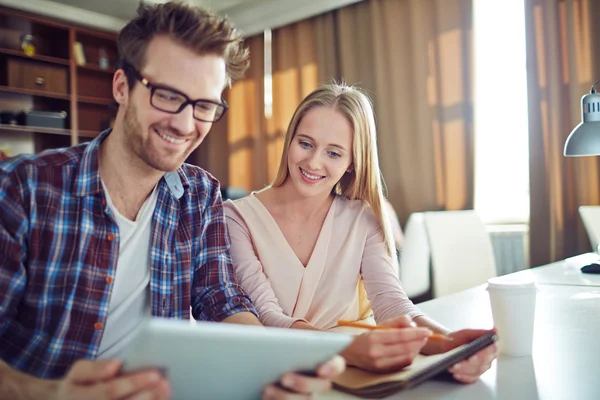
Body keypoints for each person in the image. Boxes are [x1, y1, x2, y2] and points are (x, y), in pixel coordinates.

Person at [0, 3, 343, 399]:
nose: (184, 124)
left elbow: (220, 298)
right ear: (121, 87)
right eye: (167, 95)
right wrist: (51, 393)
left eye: (204, 106)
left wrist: (268, 366)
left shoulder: (200, 195)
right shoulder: (23, 189)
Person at [224, 84, 498, 379]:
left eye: (333, 152)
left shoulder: (363, 220)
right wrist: (348, 348)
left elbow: (392, 305)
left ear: (353, 161)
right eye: (305, 143)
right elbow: (267, 316)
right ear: (289, 140)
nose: (314, 162)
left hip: (346, 376)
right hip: (273, 374)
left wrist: (448, 343)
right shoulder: (236, 217)